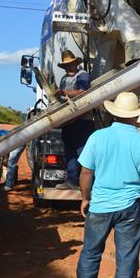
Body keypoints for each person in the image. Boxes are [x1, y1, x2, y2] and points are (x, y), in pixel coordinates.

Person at [75, 92, 140, 278]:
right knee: (127, 256)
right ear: (136, 116)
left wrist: (86, 197)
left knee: (91, 251)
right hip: (129, 208)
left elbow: (86, 172)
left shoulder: (97, 137)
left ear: (114, 112)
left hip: (100, 205)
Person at [55, 50, 94, 190]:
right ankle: (72, 181)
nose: (69, 67)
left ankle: (89, 182)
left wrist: (64, 92)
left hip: (82, 120)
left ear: (76, 64)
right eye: (66, 65)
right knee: (70, 151)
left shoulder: (82, 75)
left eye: (71, 64)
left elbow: (81, 92)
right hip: (68, 120)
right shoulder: (64, 79)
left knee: (83, 152)